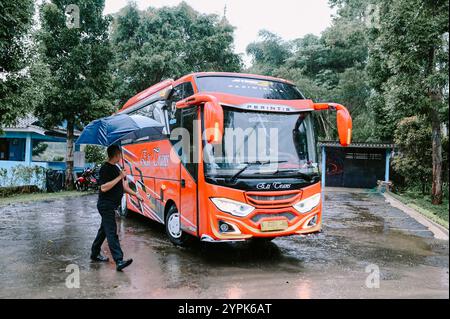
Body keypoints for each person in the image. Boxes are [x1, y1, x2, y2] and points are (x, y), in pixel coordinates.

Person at [90, 144, 143, 271]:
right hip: (105, 205)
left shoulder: (116, 168)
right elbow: (103, 187)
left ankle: (95, 253)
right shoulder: (105, 169)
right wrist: (120, 176)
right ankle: (119, 260)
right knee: (112, 232)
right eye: (120, 153)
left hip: (111, 205)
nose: (121, 155)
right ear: (115, 154)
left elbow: (123, 187)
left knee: (104, 230)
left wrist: (135, 194)